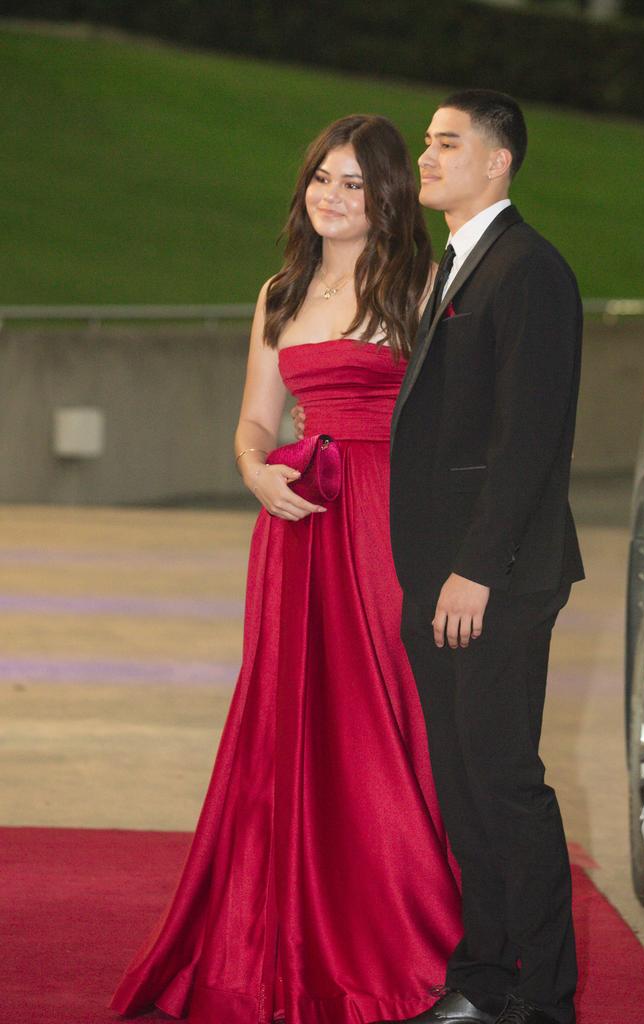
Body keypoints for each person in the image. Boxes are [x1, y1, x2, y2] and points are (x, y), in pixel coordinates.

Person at [110, 114, 462, 1024]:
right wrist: (254, 472)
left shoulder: (422, 284)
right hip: (297, 523)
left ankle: (413, 936)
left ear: (387, 196)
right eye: (320, 179)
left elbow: (459, 425)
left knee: (385, 712)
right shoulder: (279, 291)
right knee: (291, 720)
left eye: (353, 183)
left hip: (388, 519)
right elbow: (255, 421)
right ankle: (284, 932)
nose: (331, 197)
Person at [383, 90, 584, 1024]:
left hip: (492, 578)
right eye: (427, 141)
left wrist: (476, 568)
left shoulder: (528, 272)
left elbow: (526, 441)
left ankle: (543, 1001)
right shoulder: (460, 266)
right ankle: (484, 984)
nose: (427, 156)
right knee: (464, 788)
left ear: (498, 161)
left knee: (504, 784)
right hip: (441, 579)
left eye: (447, 142)